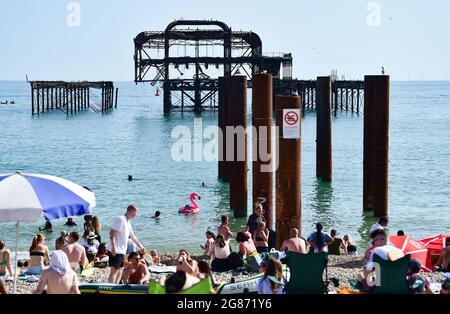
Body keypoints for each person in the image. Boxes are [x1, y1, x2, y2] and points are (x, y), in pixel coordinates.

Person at [107, 204, 146, 284]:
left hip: (122, 250)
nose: (135, 215)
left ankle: (116, 286)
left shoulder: (128, 222)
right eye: (135, 213)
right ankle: (110, 287)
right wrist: (114, 248)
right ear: (131, 211)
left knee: (120, 269)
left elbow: (132, 236)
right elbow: (112, 233)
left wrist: (140, 246)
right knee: (114, 270)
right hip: (116, 249)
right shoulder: (121, 219)